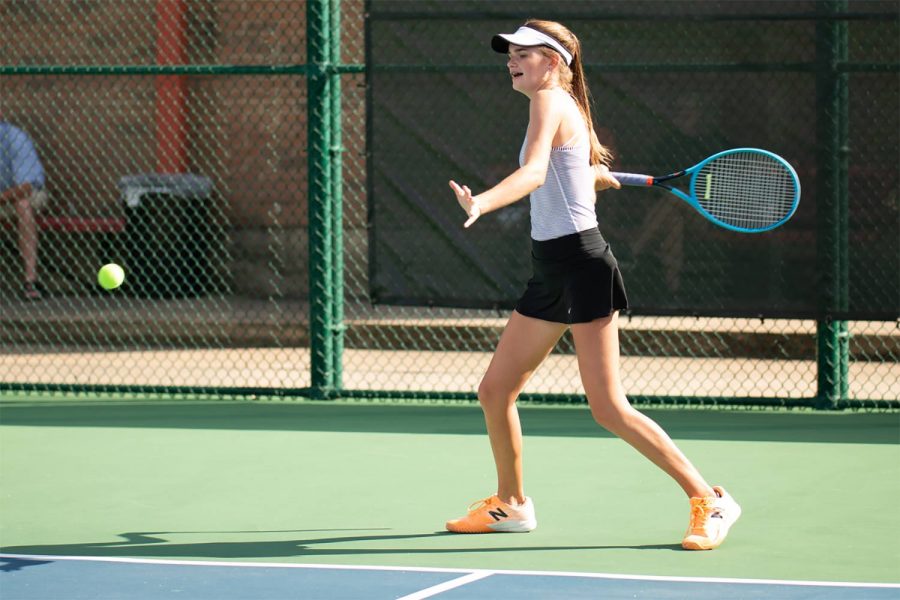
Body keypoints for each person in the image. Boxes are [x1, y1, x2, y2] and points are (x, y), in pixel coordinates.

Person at [445, 20, 741, 550]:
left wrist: (483, 202)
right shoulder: (566, 107)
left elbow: (535, 173)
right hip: (551, 267)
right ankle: (510, 505)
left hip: (582, 265)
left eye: (525, 53)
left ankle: (709, 499)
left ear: (555, 61)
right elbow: (567, 178)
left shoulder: (550, 101)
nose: (512, 60)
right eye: (509, 53)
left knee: (608, 407)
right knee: (495, 392)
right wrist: (589, 176)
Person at [0, 119, 47, 300]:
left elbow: (26, 186)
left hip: (26, 194)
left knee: (23, 205)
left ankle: (30, 280)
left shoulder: (14, 138)